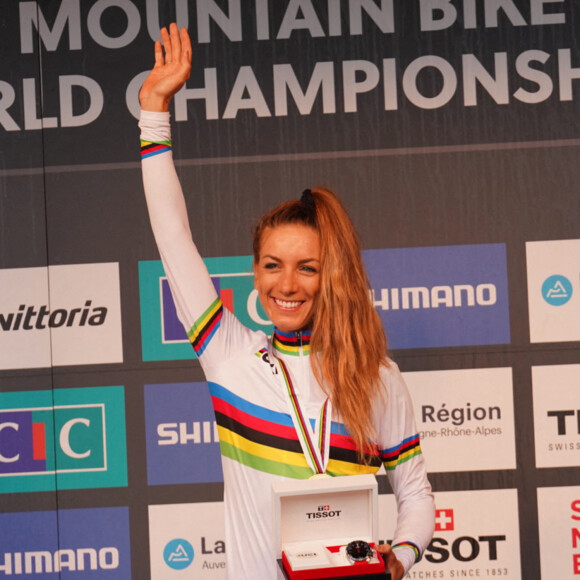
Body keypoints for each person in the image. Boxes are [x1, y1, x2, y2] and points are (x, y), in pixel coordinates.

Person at [139, 23, 435, 580]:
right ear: (255, 273)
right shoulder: (228, 354)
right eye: (272, 266)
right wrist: (153, 111)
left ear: (334, 276)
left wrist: (400, 558)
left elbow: (415, 495)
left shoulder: (377, 377)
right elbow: (172, 234)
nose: (287, 285)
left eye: (308, 268)